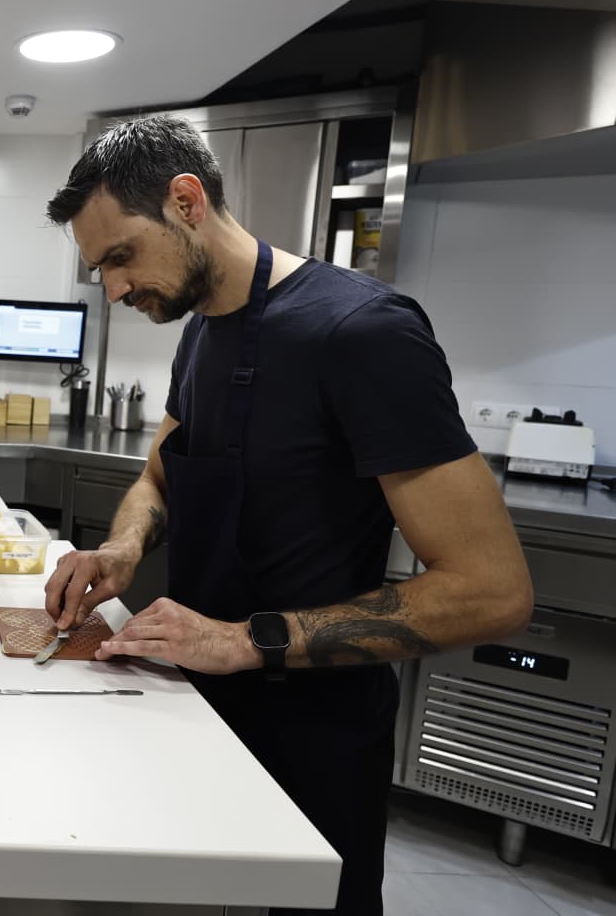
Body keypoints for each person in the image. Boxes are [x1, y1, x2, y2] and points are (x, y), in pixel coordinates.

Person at [42, 116, 532, 916]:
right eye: (102, 269)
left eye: (121, 256)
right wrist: (123, 548)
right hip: (201, 715)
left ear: (186, 201)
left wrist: (240, 641)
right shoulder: (199, 329)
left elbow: (492, 591)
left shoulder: (363, 333)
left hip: (316, 742)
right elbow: (159, 476)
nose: (116, 289)